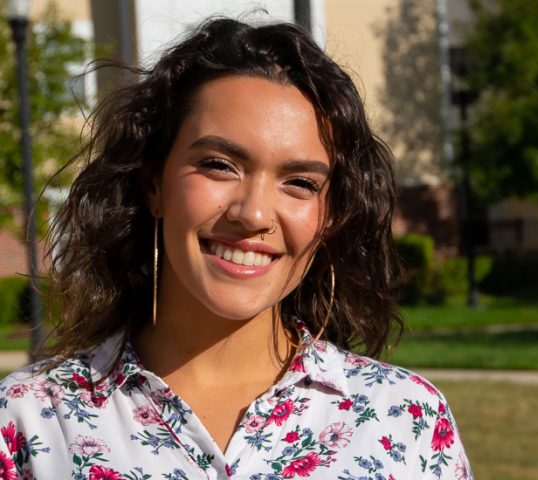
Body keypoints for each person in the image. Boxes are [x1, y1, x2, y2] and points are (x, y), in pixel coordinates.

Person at [0, 18, 472, 479]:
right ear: (153, 186)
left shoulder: (407, 420)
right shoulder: (28, 420)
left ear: (330, 218)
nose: (254, 214)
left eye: (301, 182)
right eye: (220, 165)